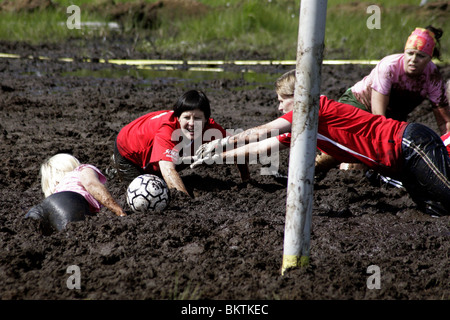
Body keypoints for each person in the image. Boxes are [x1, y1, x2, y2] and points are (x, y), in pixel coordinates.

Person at [192, 70, 450, 217]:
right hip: (399, 163)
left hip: (410, 143)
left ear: (299, 97)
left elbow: (264, 131)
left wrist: (222, 142)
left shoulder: (314, 107)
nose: (279, 107)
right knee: (435, 209)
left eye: (282, 100)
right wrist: (215, 157)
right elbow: (261, 147)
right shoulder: (304, 128)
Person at [114, 89, 249, 197]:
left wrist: (246, 181)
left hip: (166, 151)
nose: (191, 123)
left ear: (206, 120)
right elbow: (168, 169)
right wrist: (184, 200)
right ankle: (116, 168)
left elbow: (236, 148)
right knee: (146, 192)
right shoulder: (167, 130)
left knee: (175, 163)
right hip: (129, 151)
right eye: (186, 118)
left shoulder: (212, 129)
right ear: (177, 118)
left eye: (197, 118)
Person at [339, 25, 450, 133]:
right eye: (410, 53)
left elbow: (444, 122)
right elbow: (378, 115)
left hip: (393, 115)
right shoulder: (389, 67)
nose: (413, 59)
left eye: (421, 56)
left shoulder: (433, 76)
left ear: (429, 59)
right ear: (404, 52)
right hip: (359, 104)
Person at [25, 153, 126, 233]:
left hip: (40, 208)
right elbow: (91, 183)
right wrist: (119, 211)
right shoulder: (82, 169)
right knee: (75, 235)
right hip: (70, 202)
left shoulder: (58, 187)